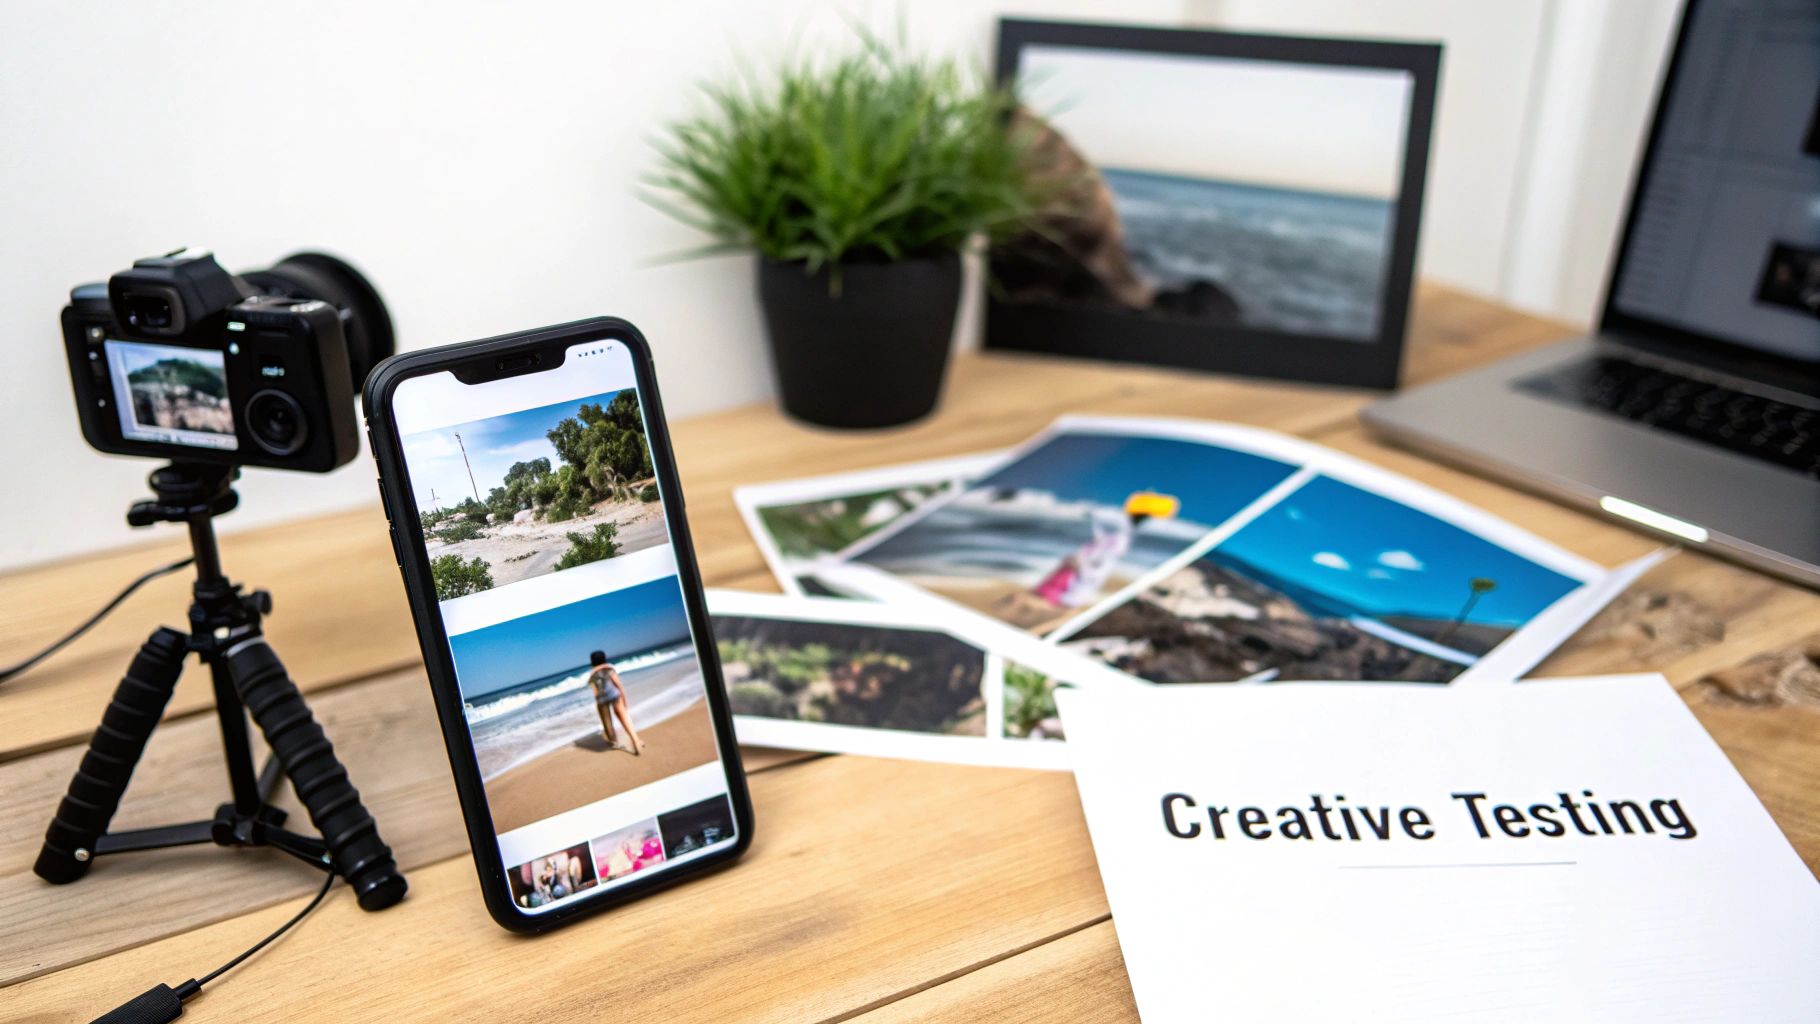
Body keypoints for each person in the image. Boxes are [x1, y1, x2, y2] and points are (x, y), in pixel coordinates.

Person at [587, 650, 643, 755]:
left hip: (601, 699)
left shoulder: (592, 674)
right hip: (614, 694)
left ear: (592, 661)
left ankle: (613, 741)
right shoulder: (609, 668)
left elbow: (595, 691)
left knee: (606, 721)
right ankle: (635, 740)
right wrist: (624, 697)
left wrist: (598, 703)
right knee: (623, 717)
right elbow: (618, 684)